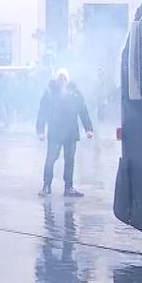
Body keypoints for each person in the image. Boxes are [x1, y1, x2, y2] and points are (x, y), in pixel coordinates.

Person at [36, 68, 94, 198]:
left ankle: (69, 187)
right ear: (56, 80)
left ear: (67, 80)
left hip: (70, 132)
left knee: (70, 160)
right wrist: (40, 131)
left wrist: (88, 129)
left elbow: (83, 111)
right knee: (51, 159)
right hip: (55, 132)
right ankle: (46, 186)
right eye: (60, 78)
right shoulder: (50, 93)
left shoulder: (75, 93)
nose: (62, 81)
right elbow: (42, 112)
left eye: (64, 78)